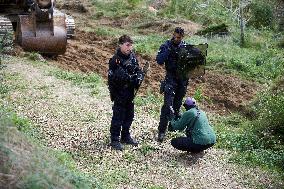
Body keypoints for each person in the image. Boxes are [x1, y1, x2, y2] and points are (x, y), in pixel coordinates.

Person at [107, 35, 144, 150]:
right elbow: (113, 79)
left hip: (130, 92)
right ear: (121, 45)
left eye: (131, 45)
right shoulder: (115, 60)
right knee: (118, 116)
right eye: (127, 45)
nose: (130, 48)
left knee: (129, 115)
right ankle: (114, 139)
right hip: (120, 92)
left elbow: (137, 69)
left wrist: (139, 76)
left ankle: (125, 136)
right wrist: (128, 79)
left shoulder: (132, 57)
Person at [156, 27, 189, 142]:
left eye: (178, 37)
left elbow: (193, 63)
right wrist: (168, 51)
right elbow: (159, 60)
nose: (176, 39)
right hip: (171, 79)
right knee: (167, 106)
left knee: (177, 105)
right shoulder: (166, 45)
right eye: (174, 36)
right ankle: (161, 131)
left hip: (182, 80)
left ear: (182, 37)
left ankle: (172, 126)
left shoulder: (186, 46)